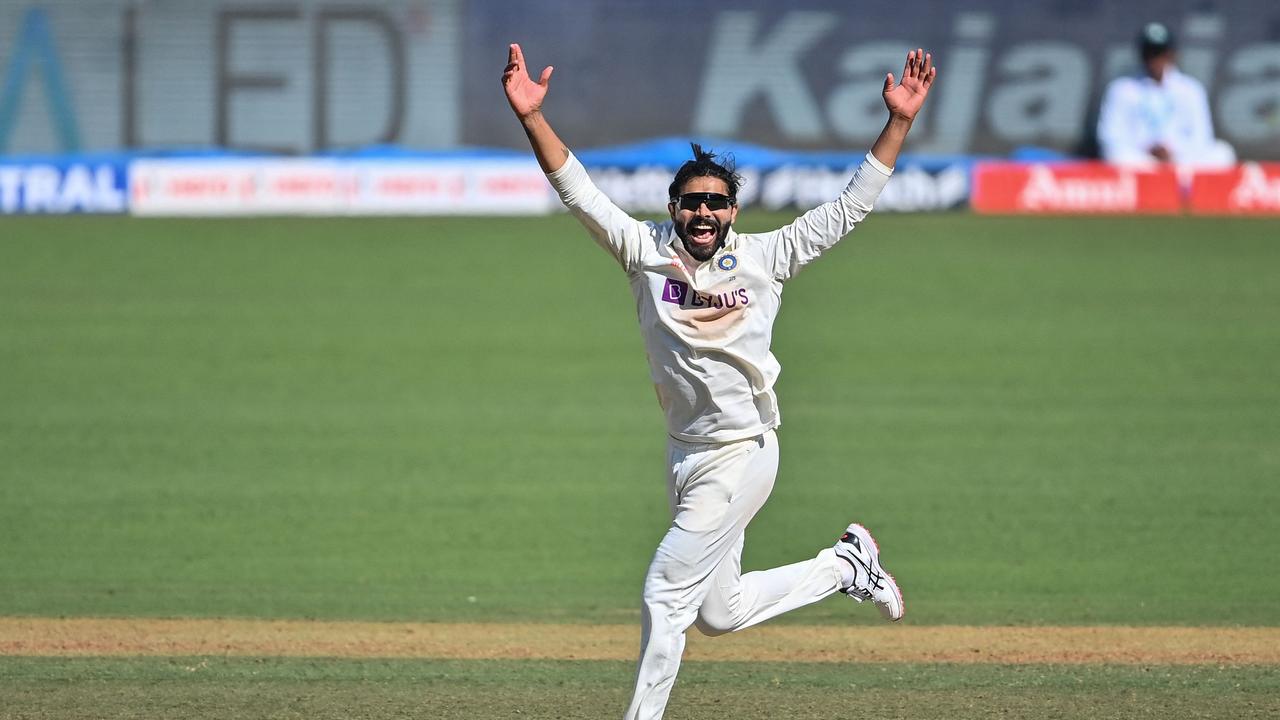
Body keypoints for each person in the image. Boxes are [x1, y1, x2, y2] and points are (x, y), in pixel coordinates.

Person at [502, 43, 936, 720]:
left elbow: (849, 207)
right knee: (718, 612)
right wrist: (532, 118)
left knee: (663, 595)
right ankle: (845, 567)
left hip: (744, 452)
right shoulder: (644, 252)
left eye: (716, 203)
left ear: (733, 211)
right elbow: (577, 189)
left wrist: (898, 123)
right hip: (684, 453)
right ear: (672, 207)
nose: (703, 213)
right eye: (691, 202)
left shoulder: (767, 258)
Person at [1096, 22, 1235, 168]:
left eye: (1159, 53)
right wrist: (1148, 148)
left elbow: (1202, 136)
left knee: (1223, 153)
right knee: (1116, 156)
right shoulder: (1122, 89)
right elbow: (1110, 137)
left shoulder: (1190, 89)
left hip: (1181, 160)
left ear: (1171, 54)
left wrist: (1173, 150)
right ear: (1141, 55)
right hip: (1140, 160)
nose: (1155, 60)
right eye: (1149, 54)